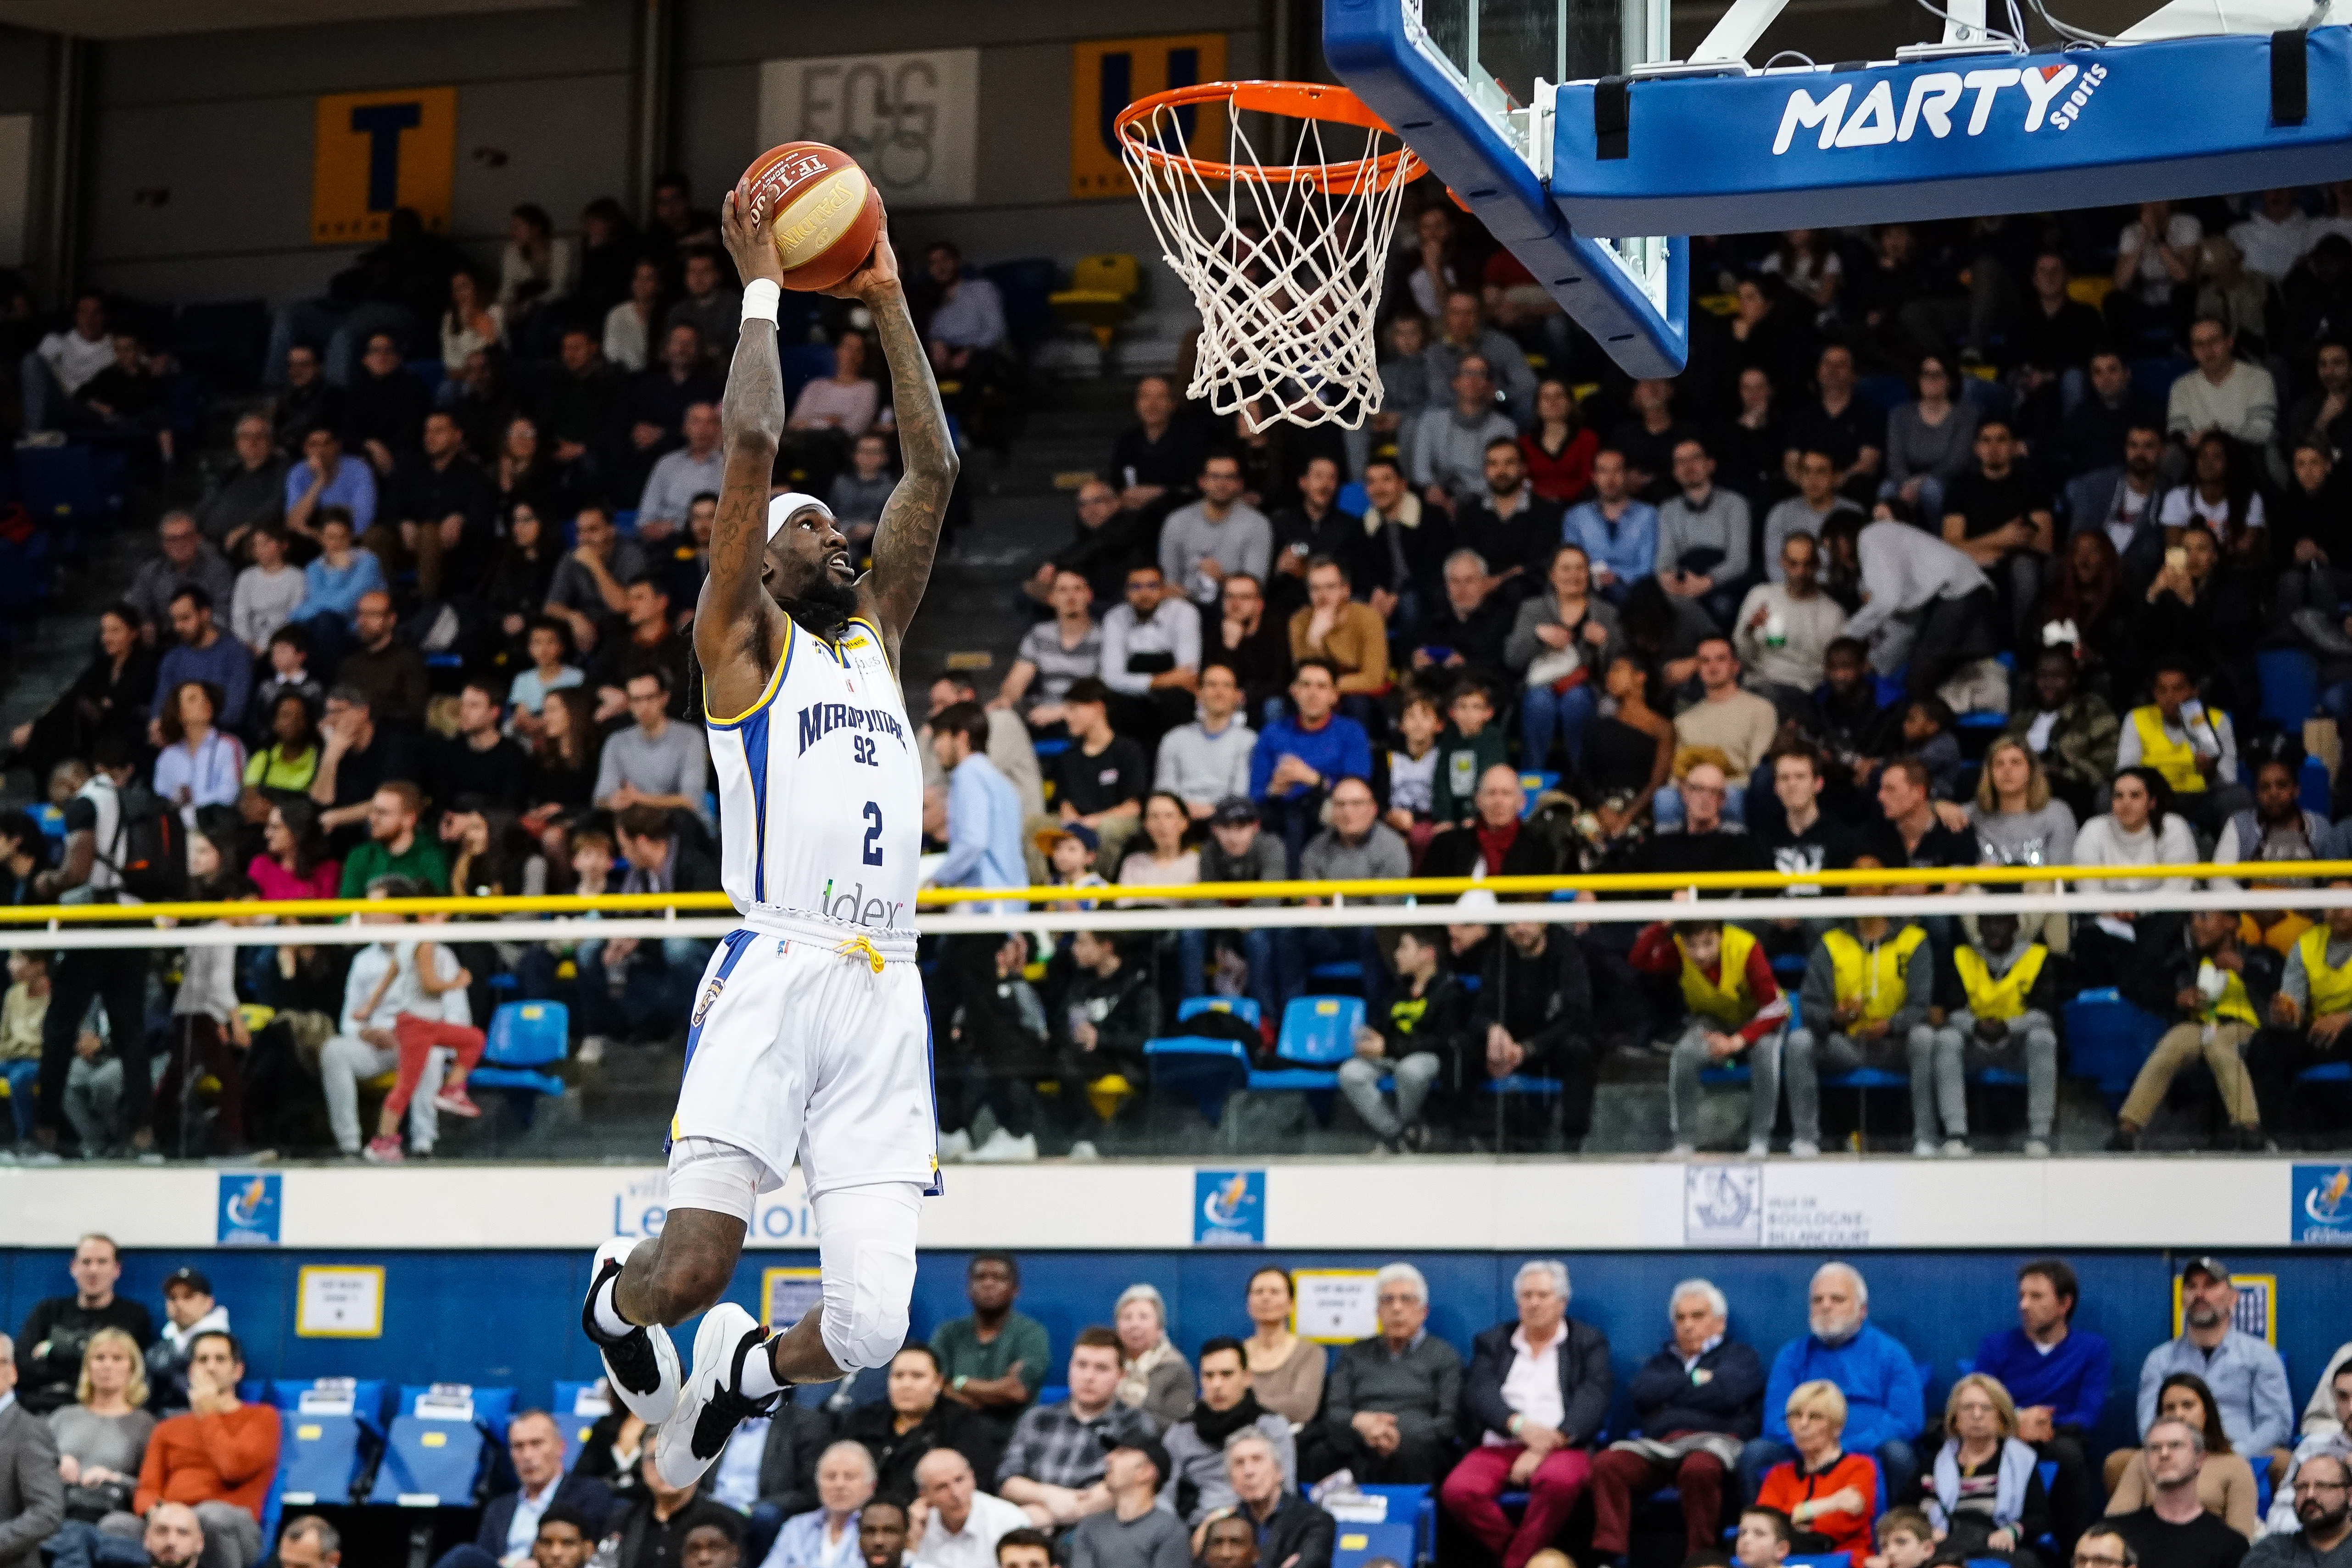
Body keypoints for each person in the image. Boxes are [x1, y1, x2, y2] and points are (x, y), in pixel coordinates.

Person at [1443, 1261, 1610, 1568]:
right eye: (1527, 1295)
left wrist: (1549, 1441)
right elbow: (1479, 1392)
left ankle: (1513, 1563)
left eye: (1543, 1295)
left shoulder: (1586, 1342)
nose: (1534, 1303)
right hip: (1501, 1441)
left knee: (1559, 1482)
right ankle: (1526, 1559)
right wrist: (1518, 1425)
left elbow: (1594, 1396)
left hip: (1561, 1444)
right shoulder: (1493, 1341)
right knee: (1458, 1491)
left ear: (1562, 1301)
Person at [1592, 1279, 1765, 1564]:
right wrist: (1697, 1381)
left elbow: (1728, 1394)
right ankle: (1612, 1556)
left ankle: (1701, 1558)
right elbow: (1642, 1395)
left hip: (1715, 1445)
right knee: (1607, 1465)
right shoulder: (1661, 1362)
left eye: (1698, 1316)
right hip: (1661, 1448)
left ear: (1720, 1323)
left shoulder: (1740, 1357)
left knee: (1698, 1468)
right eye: (1681, 1318)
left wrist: (1672, 1403)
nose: (1688, 1325)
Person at [1782, 865, 1938, 1160]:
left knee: (1925, 1037)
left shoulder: (1913, 940)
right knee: (1800, 1041)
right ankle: (1805, 1140)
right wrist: (1835, 1018)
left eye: (1869, 884)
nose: (1861, 890)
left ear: (1887, 891)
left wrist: (1891, 1025)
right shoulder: (1831, 943)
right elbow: (1809, 1005)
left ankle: (1926, 1140)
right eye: (1854, 886)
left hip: (1895, 1045)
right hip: (1848, 1045)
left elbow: (1921, 1006)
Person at [1741, 1263, 1924, 1507]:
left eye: (1837, 1299)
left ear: (1862, 1310)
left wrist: (1844, 1449)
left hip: (1867, 1449)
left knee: (1899, 1456)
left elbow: (1906, 1420)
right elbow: (1775, 1421)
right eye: (1818, 1300)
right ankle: (1762, 1535)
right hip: (1802, 1449)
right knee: (1755, 1454)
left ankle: (1894, 1539)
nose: (1826, 1306)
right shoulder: (1792, 1355)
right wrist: (1811, 1445)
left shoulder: (1891, 1354)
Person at [1973, 1260, 2111, 1551]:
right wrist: (2018, 1421)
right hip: (2002, 1437)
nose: (2024, 1305)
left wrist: (2040, 1422)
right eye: (2022, 1296)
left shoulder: (2093, 1349)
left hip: (2058, 1438)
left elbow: (2087, 1415)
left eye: (2036, 1297)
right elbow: (1978, 1398)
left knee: (2070, 1453)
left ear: (2064, 1304)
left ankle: (2074, 1552)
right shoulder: (1995, 1346)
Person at [2111, 916, 2278, 1151]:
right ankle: (2128, 1129)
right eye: (2194, 918)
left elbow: (2278, 990)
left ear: (2231, 923)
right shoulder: (2184, 960)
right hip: (2200, 1025)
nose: (2196, 925)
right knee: (2172, 1043)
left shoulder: (2261, 957)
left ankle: (2248, 1128)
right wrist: (2176, 997)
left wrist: (2244, 970)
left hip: (2244, 1025)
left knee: (2220, 1046)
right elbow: (2136, 985)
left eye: (2205, 917)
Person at [2123, 1260, 2294, 1484]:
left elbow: (2277, 1423)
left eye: (2211, 1286)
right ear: (2183, 1299)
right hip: (2173, 1455)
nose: (2200, 1294)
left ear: (2233, 1298)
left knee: (2284, 1460)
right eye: (2192, 1287)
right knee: (2119, 1462)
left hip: (2241, 1455)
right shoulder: (2160, 1360)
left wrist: (2235, 1453)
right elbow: (2148, 1425)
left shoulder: (2260, 1355)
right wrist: (2178, 1452)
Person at [1632, 916, 1790, 1157]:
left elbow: (1775, 1008)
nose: (1700, 954)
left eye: (1708, 944)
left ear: (1721, 935)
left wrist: (1738, 1040)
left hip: (1760, 1018)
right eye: (1692, 946)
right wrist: (1663, 923)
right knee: (1684, 1054)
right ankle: (1684, 1143)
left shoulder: (1745, 947)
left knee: (1765, 1052)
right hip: (1714, 1019)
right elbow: (1639, 959)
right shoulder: (1677, 949)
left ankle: (1760, 1142)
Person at [121, 1331, 277, 1568]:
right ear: (191, 1371)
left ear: (238, 1371)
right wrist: (160, 1517)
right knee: (118, 1525)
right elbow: (148, 1489)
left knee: (209, 1516)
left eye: (220, 1360)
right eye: (202, 1360)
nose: (211, 1368)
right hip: (174, 1516)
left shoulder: (262, 1417)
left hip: (231, 1523)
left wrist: (208, 1414)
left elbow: (234, 1468)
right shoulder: (168, 1428)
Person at [994, 1328, 1156, 1530]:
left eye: (1101, 1368)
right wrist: (1047, 1495)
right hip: (1032, 1525)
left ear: (1121, 1375)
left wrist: (1060, 1514)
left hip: (1099, 1529)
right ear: (1070, 1367)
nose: (1089, 1376)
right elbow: (1007, 1480)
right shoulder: (1038, 1418)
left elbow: (1131, 1486)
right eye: (1081, 1365)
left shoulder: (1135, 1423)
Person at [1821, 511, 1996, 698]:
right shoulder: (1886, 545)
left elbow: (1887, 601)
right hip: (1964, 598)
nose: (1834, 558)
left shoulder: (1871, 536)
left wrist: (1845, 637)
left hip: (1960, 595)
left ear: (1841, 537)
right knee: (1921, 684)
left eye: (1831, 548)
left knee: (1918, 684)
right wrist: (1875, 665)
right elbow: (1905, 625)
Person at [1931, 911, 2061, 1156]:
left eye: (2001, 922)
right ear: (1978, 926)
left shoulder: (2038, 956)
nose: (1993, 929)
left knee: (2044, 1038)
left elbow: (2045, 1014)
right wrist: (1975, 1026)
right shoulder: (1963, 956)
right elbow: (1952, 1012)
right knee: (1946, 1039)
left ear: (2015, 925)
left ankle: (2040, 1137)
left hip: (2017, 1045)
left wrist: (2009, 1027)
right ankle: (1955, 1136)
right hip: (1975, 1044)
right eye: (1987, 922)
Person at [1320, 1261, 1461, 1486]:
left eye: (1406, 1300)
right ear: (1378, 1311)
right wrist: (1361, 1423)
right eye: (1388, 1300)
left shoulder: (1444, 1356)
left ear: (1423, 1312)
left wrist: (1396, 1434)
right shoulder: (1353, 1354)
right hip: (1360, 1440)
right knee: (1320, 1454)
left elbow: (1448, 1422)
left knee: (1413, 1456)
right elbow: (1335, 1411)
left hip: (1418, 1446)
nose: (1397, 1308)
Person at [435, 1411, 615, 1568]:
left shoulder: (588, 1494)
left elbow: (586, 1553)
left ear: (561, 1447)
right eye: (518, 1447)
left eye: (536, 1444)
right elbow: (484, 1558)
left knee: (464, 1556)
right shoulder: (499, 1508)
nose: (527, 1456)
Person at [1344, 927, 1462, 1153]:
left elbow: (1441, 1041)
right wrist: (1373, 1036)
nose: (1397, 954)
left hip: (1428, 1058)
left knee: (1410, 1070)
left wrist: (1388, 1046)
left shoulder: (1450, 990)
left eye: (1404, 948)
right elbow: (1384, 1028)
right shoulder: (1398, 989)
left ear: (1427, 954)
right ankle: (1401, 1135)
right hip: (1392, 1054)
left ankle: (1406, 1133)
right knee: (1351, 1072)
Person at [1504, 544, 1619, 772]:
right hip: (1540, 687)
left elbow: (1619, 668)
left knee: (1576, 700)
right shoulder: (1532, 608)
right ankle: (1533, 782)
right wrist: (1538, 637)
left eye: (1580, 569)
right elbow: (1512, 659)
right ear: (1552, 574)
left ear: (1588, 574)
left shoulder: (1606, 612)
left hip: (1586, 688)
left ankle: (1584, 784)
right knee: (1539, 701)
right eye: (1565, 569)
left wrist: (1605, 643)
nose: (1573, 575)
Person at [1159, 1339, 1294, 1524]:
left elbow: (1286, 1492)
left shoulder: (1272, 1426)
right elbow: (1164, 1499)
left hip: (1257, 1526)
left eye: (1227, 1374)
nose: (1217, 1384)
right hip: (1194, 1529)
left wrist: (1225, 1517)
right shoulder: (1180, 1433)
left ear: (1247, 1377)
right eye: (1209, 1376)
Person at [2109, 1376, 2262, 1538]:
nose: (2179, 1415)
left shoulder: (2235, 1467)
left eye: (2188, 1406)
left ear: (2206, 1413)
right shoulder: (2144, 1460)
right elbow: (2114, 1524)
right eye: (2170, 1408)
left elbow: (2241, 1540)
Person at [16, 1237, 154, 1416]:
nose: (93, 1270)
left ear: (117, 1270)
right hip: (40, 1410)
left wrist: (53, 1353)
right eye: (86, 1262)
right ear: (74, 1268)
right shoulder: (47, 1311)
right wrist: (80, 1361)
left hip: (98, 1412)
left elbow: (135, 1376)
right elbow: (21, 1371)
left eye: (102, 1262)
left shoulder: (133, 1316)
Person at [1924, 1374, 2051, 1568]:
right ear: (1955, 1419)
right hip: (1943, 1543)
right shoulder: (1936, 1461)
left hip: (1996, 1542)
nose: (1977, 1415)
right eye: (1968, 1408)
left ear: (2000, 1417)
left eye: (1986, 1408)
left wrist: (2012, 1531)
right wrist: (1926, 1531)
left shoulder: (2021, 1460)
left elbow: (2040, 1517)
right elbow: (1906, 1508)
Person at [929, 1255, 1047, 1458]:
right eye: (980, 1277)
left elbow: (1016, 1391)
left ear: (1015, 1289)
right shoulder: (948, 1333)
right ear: (969, 1288)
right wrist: (996, 1390)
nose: (989, 1284)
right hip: (949, 1439)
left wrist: (958, 1382)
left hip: (1012, 1441)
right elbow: (933, 1385)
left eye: (999, 1278)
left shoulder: (1031, 1333)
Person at [1753, 1381, 1881, 1566]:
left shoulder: (1860, 1467)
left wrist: (1793, 1517)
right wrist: (1831, 1503)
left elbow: (1837, 1527)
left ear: (1837, 1427)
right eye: (1796, 1415)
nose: (1803, 1424)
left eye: (1815, 1417)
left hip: (1842, 1562)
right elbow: (1764, 1526)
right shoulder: (1778, 1475)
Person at [2109, 1423, 2253, 1568]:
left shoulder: (2230, 1545)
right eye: (2155, 1448)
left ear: (2200, 1459)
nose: (2164, 1454)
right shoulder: (2115, 1534)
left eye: (2175, 1445)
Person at [1736, 533, 1847, 714]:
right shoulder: (1761, 596)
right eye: (1794, 564)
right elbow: (1743, 659)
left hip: (1803, 692)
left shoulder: (1833, 613)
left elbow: (1833, 670)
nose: (1801, 573)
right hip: (1757, 685)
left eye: (1807, 565)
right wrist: (1750, 630)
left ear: (1817, 565)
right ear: (1783, 562)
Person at [49, 1328, 152, 1522]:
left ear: (132, 1368)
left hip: (109, 1515)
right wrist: (56, 1462)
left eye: (117, 1358)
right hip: (57, 1508)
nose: (107, 1366)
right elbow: (30, 1466)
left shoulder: (144, 1424)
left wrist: (114, 1478)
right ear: (88, 1367)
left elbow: (151, 1487)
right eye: (99, 1358)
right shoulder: (63, 1417)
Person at [1194, 1432, 1334, 1568]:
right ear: (1231, 1481)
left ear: (1279, 1471)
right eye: (1239, 1463)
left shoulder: (1315, 1521)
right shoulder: (1222, 1525)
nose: (1249, 1471)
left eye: (1257, 1459)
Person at [1161, 454, 1273, 609]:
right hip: (1183, 606)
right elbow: (1169, 581)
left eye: (1229, 478)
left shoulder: (1257, 524)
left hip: (1234, 606)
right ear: (1202, 482)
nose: (1222, 484)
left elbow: (1256, 585)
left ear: (1239, 484)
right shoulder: (1177, 521)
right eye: (1215, 477)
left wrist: (1222, 578)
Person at [1061, 1438, 1187, 1568]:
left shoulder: (1170, 1532)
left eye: (1122, 1452)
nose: (1108, 1458)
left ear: (1146, 1472)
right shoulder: (1090, 1526)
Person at [607, 1453, 741, 1568]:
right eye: (656, 1458)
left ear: (700, 1465)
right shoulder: (622, 1518)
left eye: (679, 1458)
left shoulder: (726, 1520)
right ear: (643, 1467)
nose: (668, 1467)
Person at [1564, 450, 1660, 603]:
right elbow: (1570, 561)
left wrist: (1615, 576)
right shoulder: (1576, 516)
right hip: (1586, 588)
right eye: (1603, 471)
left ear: (1627, 476)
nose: (1610, 479)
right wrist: (1595, 577)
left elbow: (1647, 567)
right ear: (1594, 477)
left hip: (1633, 590)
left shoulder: (1647, 514)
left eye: (1617, 471)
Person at [903, 1449, 1025, 1568]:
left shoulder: (1009, 1521)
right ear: (924, 1495)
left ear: (973, 1478)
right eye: (942, 1487)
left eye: (960, 1480)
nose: (956, 1494)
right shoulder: (919, 1524)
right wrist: (913, 1539)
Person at [766, 1440, 875, 1568]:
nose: (839, 1485)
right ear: (818, 1484)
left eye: (849, 1477)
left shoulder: (877, 1530)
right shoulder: (796, 1528)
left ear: (872, 1486)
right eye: (831, 1477)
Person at [1239, 1271, 1324, 1433]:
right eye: (1259, 1292)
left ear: (1291, 1304)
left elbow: (1302, 1408)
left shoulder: (1310, 1353)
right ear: (1249, 1304)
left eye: (1275, 1292)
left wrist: (1244, 1405)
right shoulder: (1235, 1354)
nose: (1266, 1298)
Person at [149, 1267, 229, 1417]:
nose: (179, 1304)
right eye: (173, 1298)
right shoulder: (158, 1349)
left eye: (188, 1297)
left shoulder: (225, 1346)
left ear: (209, 1303)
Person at [1112, 1284, 1194, 1430]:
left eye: (1143, 1317)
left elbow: (1178, 1427)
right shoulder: (1107, 1364)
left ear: (1160, 1327)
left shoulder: (1177, 1369)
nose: (1134, 1325)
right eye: (1127, 1317)